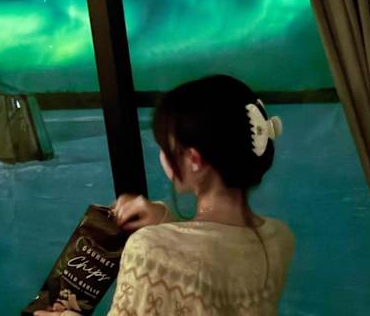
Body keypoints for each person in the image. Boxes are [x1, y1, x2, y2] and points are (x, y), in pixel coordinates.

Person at [37, 75, 295, 316]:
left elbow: (192, 266)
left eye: (165, 147)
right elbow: (214, 261)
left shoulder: (150, 252)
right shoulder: (278, 238)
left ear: (193, 159)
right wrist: (165, 219)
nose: (162, 156)